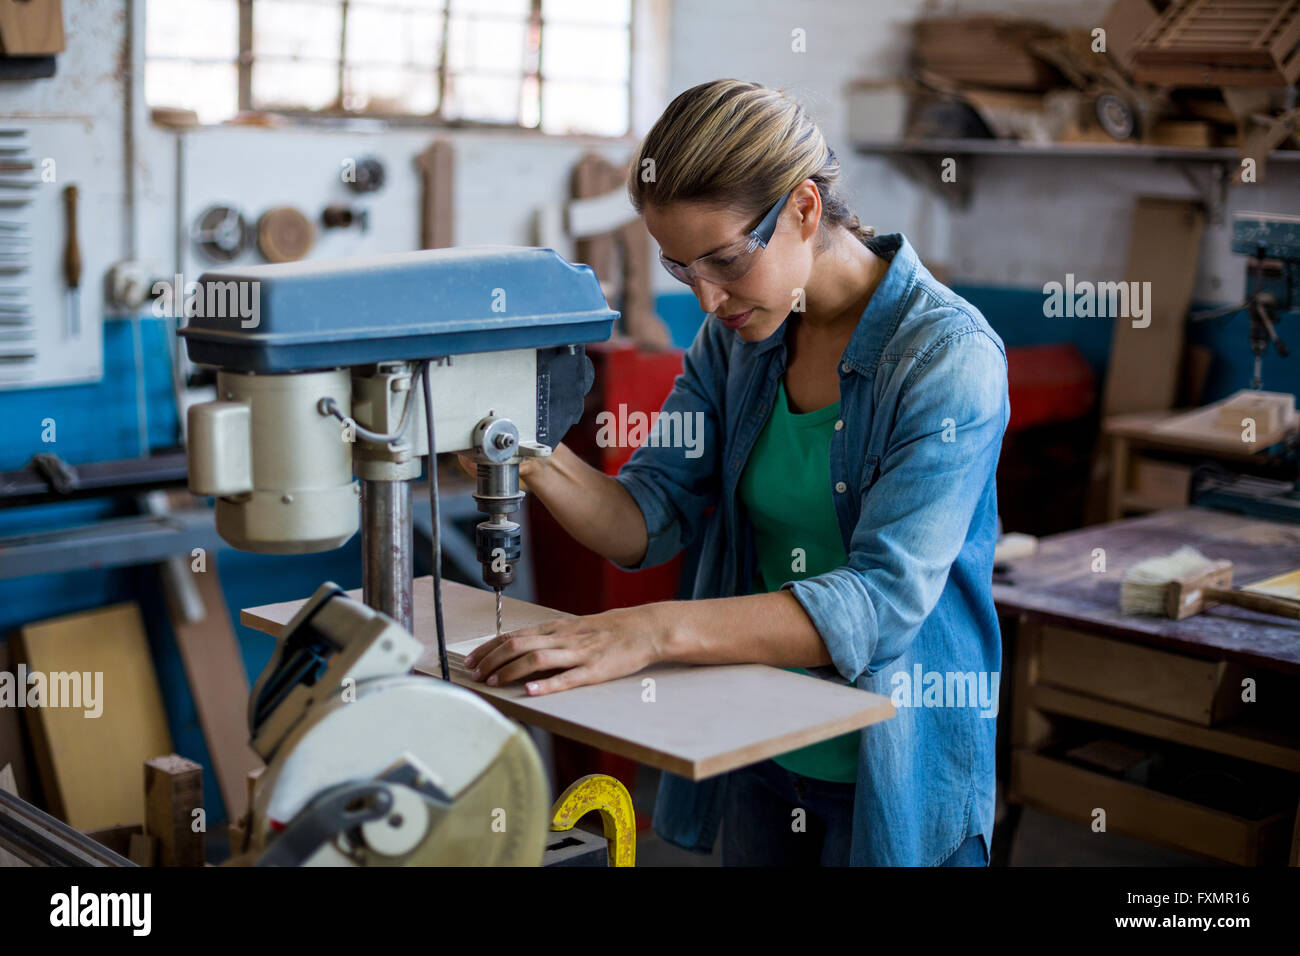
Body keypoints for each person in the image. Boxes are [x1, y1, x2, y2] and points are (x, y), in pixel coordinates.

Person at [462, 79, 1009, 867]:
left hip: (896, 766)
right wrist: (522, 450)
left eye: (724, 260)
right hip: (763, 749)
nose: (709, 299)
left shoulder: (946, 357)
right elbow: (646, 515)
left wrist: (648, 632)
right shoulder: (739, 339)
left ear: (804, 209)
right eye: (683, 271)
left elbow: (883, 604)